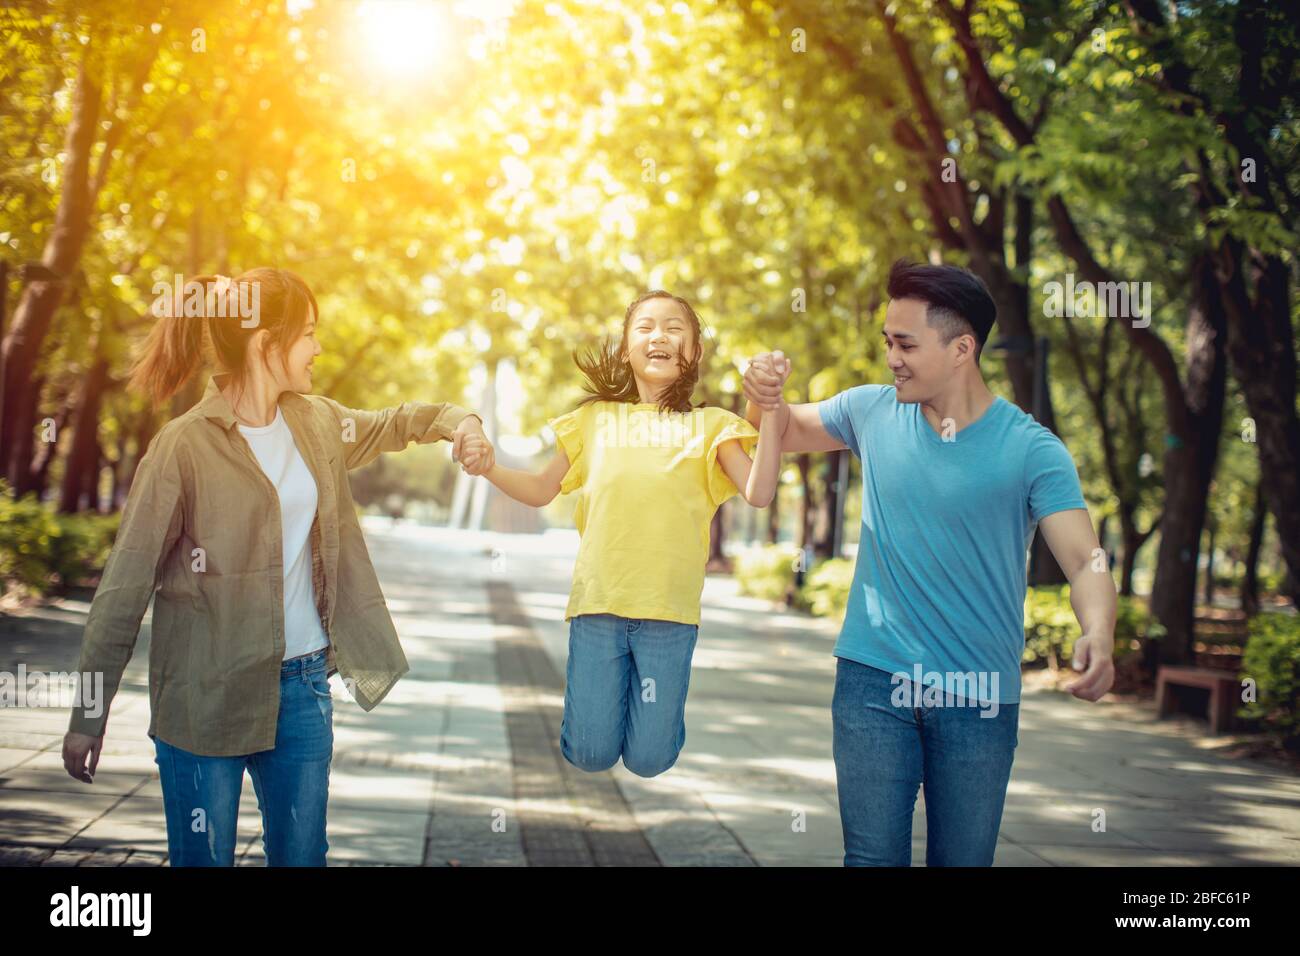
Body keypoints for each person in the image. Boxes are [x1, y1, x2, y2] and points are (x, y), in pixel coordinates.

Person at [61, 268, 491, 865]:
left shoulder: (316, 423)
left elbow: (397, 422)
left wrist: (460, 423)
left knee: (301, 857)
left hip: (302, 689)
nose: (318, 347)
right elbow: (123, 586)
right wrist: (89, 711)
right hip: (202, 696)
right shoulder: (184, 446)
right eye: (308, 333)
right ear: (266, 343)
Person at [742, 259, 1116, 866]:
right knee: (870, 860)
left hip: (979, 695)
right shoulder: (870, 412)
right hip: (872, 679)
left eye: (906, 344)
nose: (892, 357)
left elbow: (1086, 560)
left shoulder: (1031, 449)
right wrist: (764, 395)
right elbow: (780, 430)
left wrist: (1099, 632)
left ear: (962, 348)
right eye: (888, 341)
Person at [459, 290, 785, 777]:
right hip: (599, 607)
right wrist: (489, 469)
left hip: (669, 616)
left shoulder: (712, 426)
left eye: (675, 328)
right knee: (589, 752)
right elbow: (540, 490)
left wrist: (772, 407)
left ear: (693, 352)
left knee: (650, 759)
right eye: (646, 326)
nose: (660, 335)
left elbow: (759, 491)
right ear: (624, 348)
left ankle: (658, 723)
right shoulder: (594, 420)